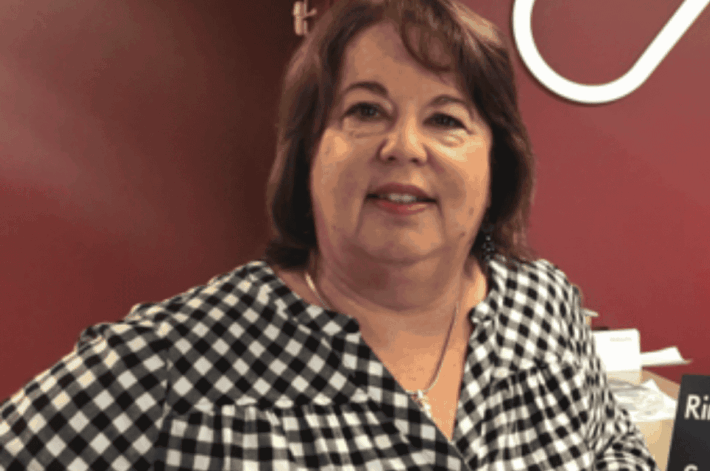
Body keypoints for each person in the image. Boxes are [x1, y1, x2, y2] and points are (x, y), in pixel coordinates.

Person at [0, 0, 658, 469]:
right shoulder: (170, 361)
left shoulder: (545, 305)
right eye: (365, 110)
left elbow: (614, 448)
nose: (404, 146)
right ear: (307, 154)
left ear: (496, 163)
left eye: (446, 119)